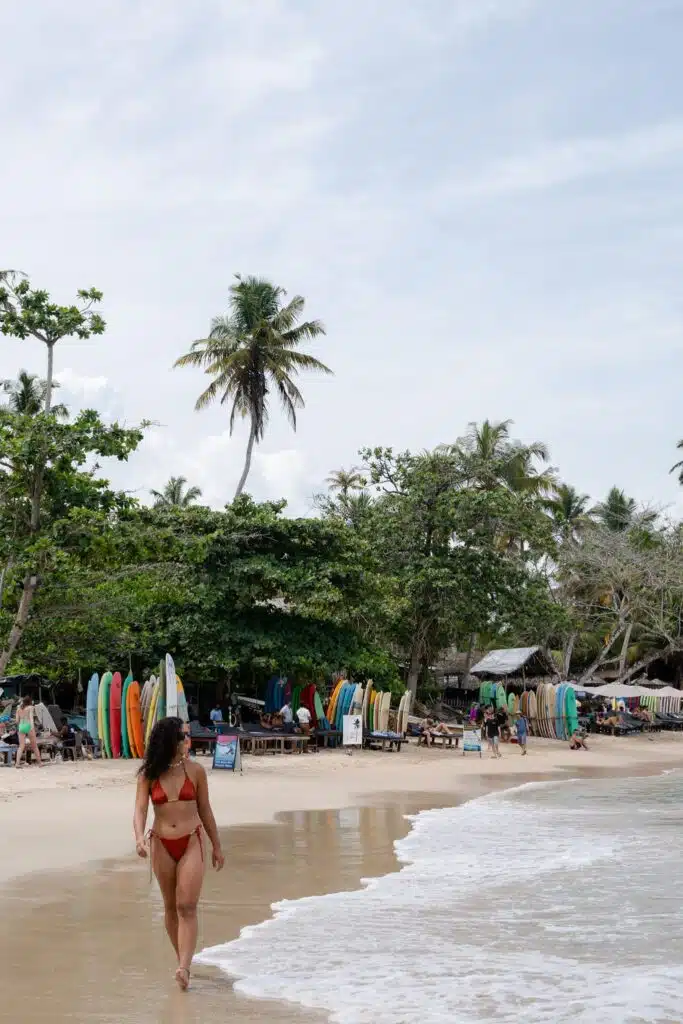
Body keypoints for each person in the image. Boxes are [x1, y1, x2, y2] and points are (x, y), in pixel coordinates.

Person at [134, 717, 225, 991]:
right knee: (171, 907)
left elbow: (205, 810)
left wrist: (217, 846)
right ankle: (182, 960)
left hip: (191, 841)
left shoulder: (196, 771)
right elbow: (139, 810)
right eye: (183, 736)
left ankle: (184, 966)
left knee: (187, 905)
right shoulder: (148, 775)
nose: (188, 740)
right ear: (169, 741)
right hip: (161, 842)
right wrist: (139, 837)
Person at [15, 696, 41, 769]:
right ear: (30, 701)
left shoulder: (18, 709)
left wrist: (20, 726)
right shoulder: (30, 707)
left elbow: (16, 721)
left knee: (21, 746)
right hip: (28, 725)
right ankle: (39, 763)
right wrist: (32, 727)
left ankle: (17, 763)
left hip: (21, 726)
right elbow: (31, 718)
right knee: (34, 746)